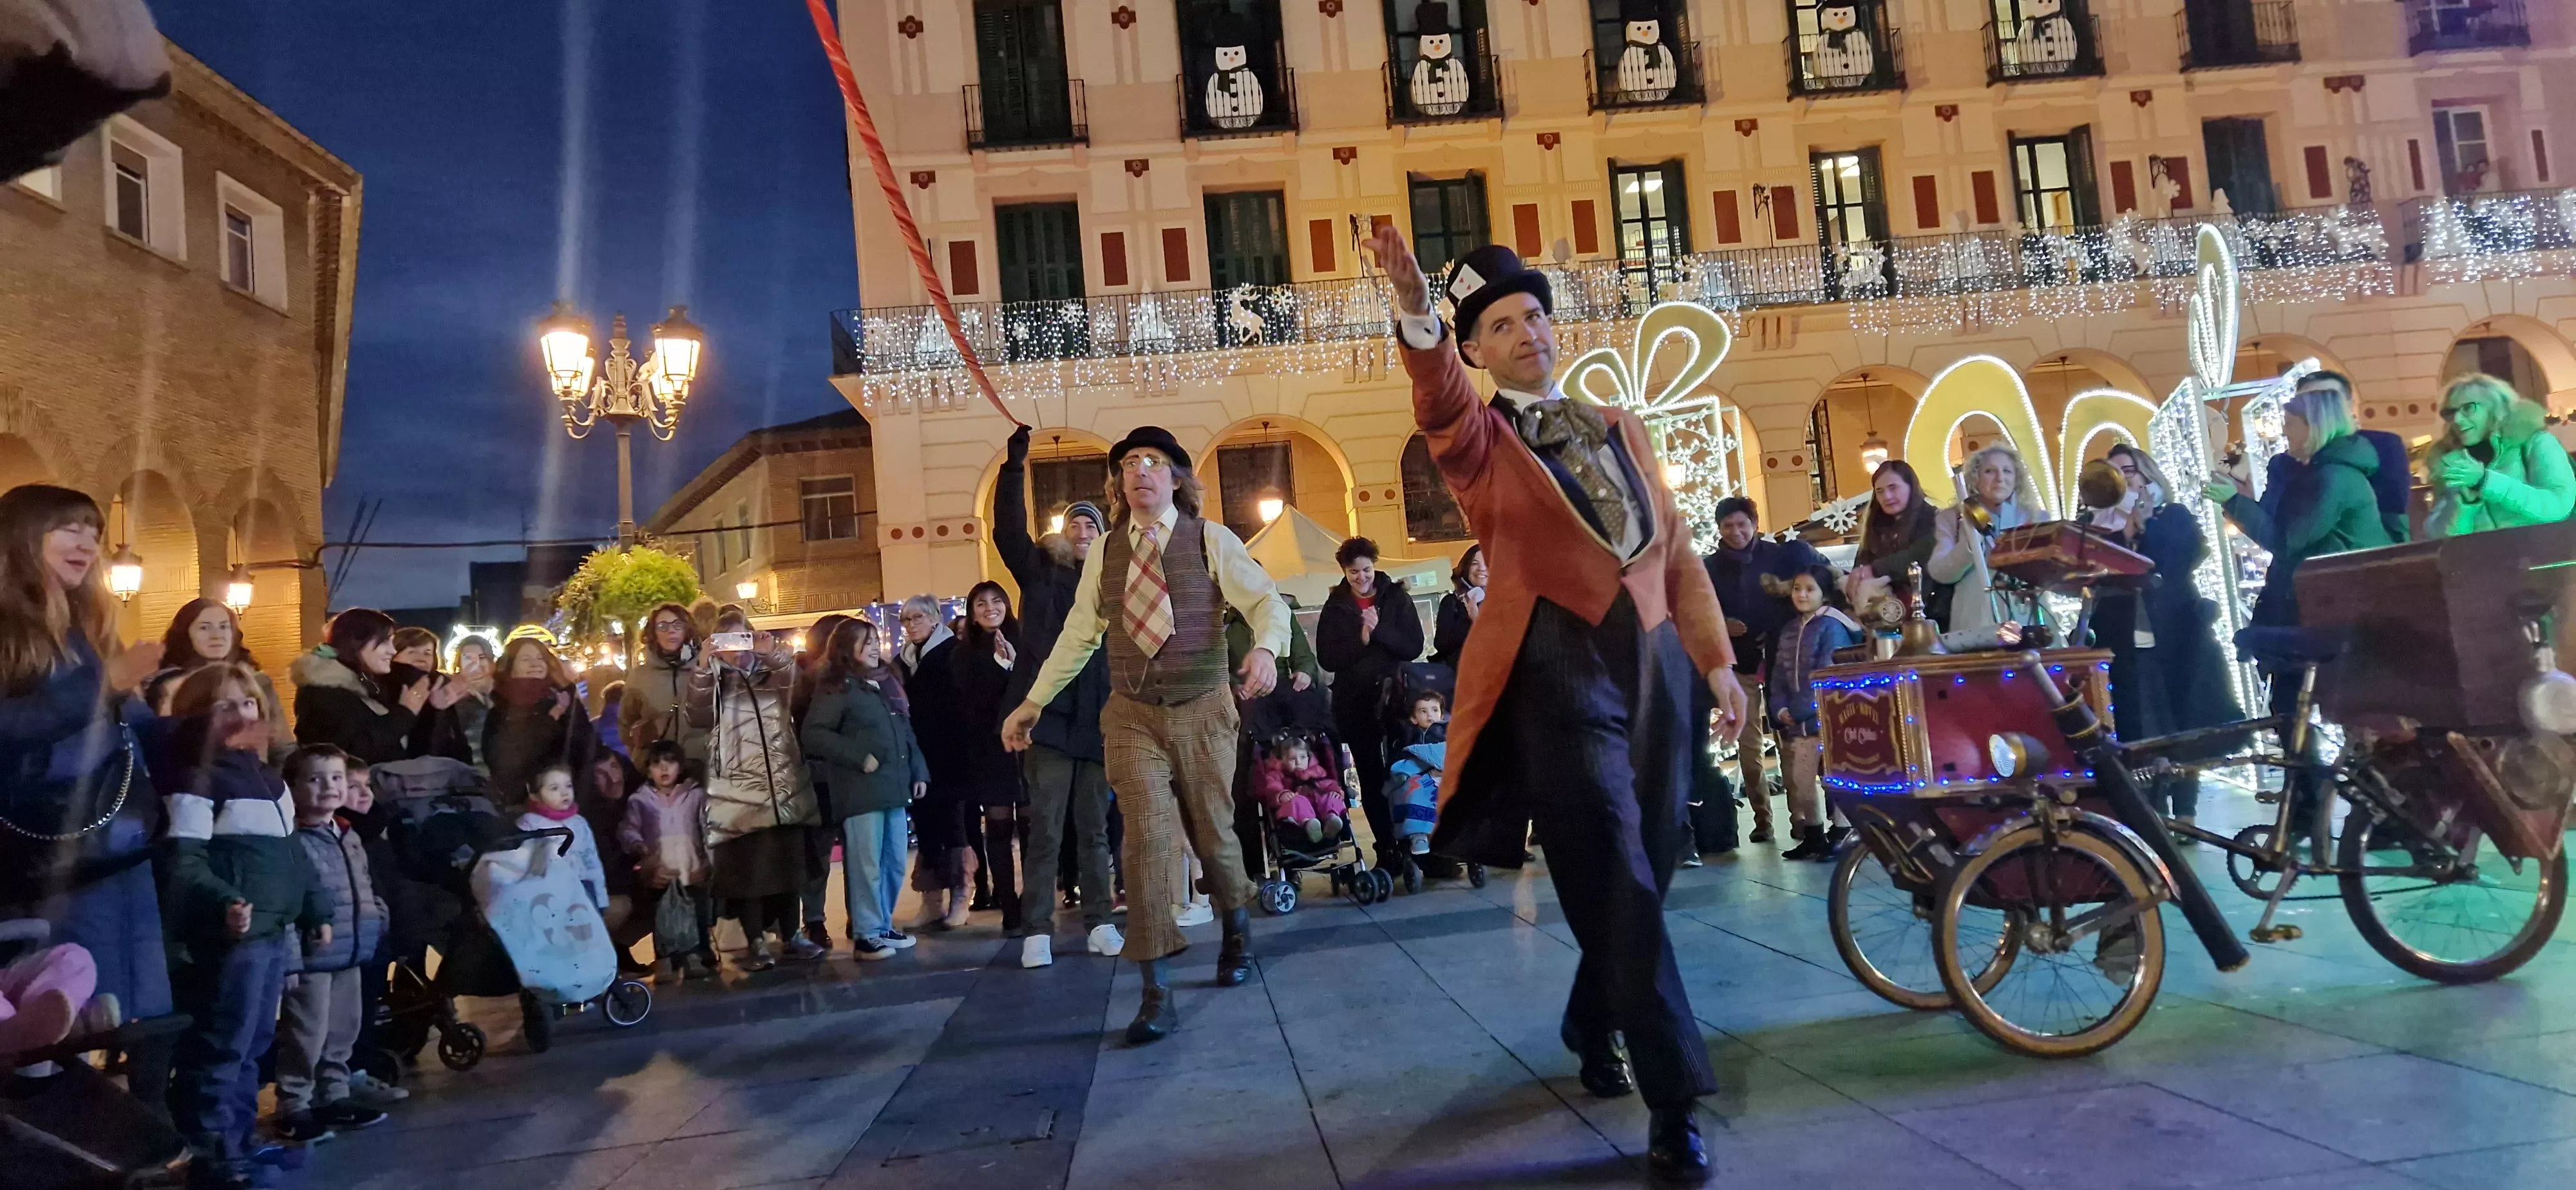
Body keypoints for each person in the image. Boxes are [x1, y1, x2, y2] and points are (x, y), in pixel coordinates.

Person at [1368, 228, 1741, 1180]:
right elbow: (1437, 398)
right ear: (1478, 350)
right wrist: (1418, 312)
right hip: (1554, 668)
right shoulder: (1477, 439)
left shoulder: (1621, 422)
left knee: (1646, 866)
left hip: (1654, 660)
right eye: (1501, 323)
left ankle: (1589, 1014)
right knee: (1614, 870)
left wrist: (1718, 663)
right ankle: (1674, 1099)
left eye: (1534, 313)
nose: (1527, 330)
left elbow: (1681, 551)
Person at [1002, 425, 1289, 1044]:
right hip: (1131, 714)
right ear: (1119, 483)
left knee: (1214, 834)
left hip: (1204, 708)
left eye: (1154, 462)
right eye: (1129, 463)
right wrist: (1031, 703)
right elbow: (1078, 636)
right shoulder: (1104, 553)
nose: (1140, 472)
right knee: (1147, 841)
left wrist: (1266, 651)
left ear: (1177, 479)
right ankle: (1155, 989)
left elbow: (1268, 603)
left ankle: (1236, 924)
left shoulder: (1211, 539)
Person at [0, 484, 175, 1107]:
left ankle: (159, 1154)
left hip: (121, 846)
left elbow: (137, 728)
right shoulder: (9, 631)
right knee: (69, 1029)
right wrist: (105, 685)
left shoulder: (86, 631)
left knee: (149, 1018)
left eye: (93, 532)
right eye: (69, 528)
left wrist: (213, 731)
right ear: (22, 535)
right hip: (55, 856)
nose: (87, 544)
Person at [147, 663, 327, 1187]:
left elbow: (294, 852)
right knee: (222, 1046)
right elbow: (183, 858)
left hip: (272, 932)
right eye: (223, 705)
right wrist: (224, 901)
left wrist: (316, 908)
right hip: (235, 937)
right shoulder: (197, 781)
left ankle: (241, 1143)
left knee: (252, 1046)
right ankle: (211, 1154)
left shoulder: (269, 780)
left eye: (247, 703)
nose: (241, 714)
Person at [2207, 381, 2392, 858]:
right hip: (2307, 606)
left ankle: (2352, 808)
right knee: (2292, 718)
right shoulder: (2312, 474)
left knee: (2314, 719)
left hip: (2329, 612)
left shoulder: (2335, 479)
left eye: (2290, 424)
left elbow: (2289, 539)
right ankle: (2312, 808)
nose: (2284, 433)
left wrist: (2232, 500)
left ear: (2314, 426)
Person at [993, 426, 1126, 962]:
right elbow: (1007, 530)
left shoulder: (1114, 579)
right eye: (1074, 522)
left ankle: (1099, 922)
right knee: (1045, 828)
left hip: (1097, 717)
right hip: (1046, 717)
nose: (1082, 529)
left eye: (1091, 523)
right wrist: (1014, 466)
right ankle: (1038, 932)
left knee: (1094, 829)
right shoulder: (1040, 572)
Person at [2087, 445, 2244, 830]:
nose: (2122, 479)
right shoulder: (2094, 524)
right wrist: (2122, 532)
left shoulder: (2173, 516)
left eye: (2128, 470)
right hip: (2125, 639)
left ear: (2148, 475)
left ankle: (2187, 811)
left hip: (2177, 636)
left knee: (2183, 722)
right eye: (2111, 472)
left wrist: (2144, 525)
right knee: (2141, 726)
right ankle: (2152, 812)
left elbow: (2175, 561)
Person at [690, 610, 824, 969]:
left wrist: (774, 654)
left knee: (788, 865)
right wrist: (704, 666)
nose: (739, 649)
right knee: (749, 871)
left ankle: (792, 936)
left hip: (783, 787)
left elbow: (796, 691)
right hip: (740, 793)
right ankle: (755, 944)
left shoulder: (771, 672)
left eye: (744, 638)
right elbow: (698, 716)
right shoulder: (714, 679)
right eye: (729, 641)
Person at [1699, 497, 1828, 852]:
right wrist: (1722, 626)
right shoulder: (1709, 567)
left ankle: (1800, 819)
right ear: (1720, 529)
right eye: (1728, 526)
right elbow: (1701, 609)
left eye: (1742, 524)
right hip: (1737, 664)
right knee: (1749, 745)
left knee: (1789, 739)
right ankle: (1762, 821)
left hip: (1779, 660)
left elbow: (1800, 596)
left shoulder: (1780, 556)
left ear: (1755, 524)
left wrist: (1774, 629)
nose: (1736, 532)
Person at [274, 743, 389, 1143]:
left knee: (343, 1029)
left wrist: (376, 914)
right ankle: (294, 1105)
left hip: (350, 951)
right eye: (315, 779)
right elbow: (286, 902)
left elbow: (363, 882)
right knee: (306, 1033)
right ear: (293, 786)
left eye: (337, 778)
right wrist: (290, 959)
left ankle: (334, 1095)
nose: (329, 787)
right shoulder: (292, 839)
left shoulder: (345, 833)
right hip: (313, 957)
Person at [799, 618, 928, 961]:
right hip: (860, 791)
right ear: (847, 648)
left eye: (875, 640)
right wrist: (857, 757)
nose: (875, 647)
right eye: (865, 641)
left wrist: (919, 770)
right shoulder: (837, 687)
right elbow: (815, 733)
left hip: (894, 787)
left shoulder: (886, 684)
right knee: (867, 864)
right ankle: (867, 933)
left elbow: (906, 730)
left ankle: (882, 924)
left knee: (894, 861)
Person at [1312, 536, 1425, 873]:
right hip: (1355, 703)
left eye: (1366, 569)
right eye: (1353, 572)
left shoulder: (1396, 597)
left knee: (1404, 770)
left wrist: (1377, 633)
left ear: (1375, 566)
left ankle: (1416, 842)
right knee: (1372, 776)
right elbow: (1328, 658)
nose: (1362, 578)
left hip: (1396, 699)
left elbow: (1413, 645)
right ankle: (1386, 847)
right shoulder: (1336, 606)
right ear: (1344, 573)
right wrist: (1361, 639)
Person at [949, 581, 1032, 940]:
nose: (989, 608)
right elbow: (973, 704)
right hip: (991, 751)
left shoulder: (1025, 642)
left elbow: (1035, 690)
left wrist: (1013, 665)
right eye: (980, 603)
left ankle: (1034, 901)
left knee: (1032, 827)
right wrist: (1000, 668)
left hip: (1029, 749)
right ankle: (1008, 905)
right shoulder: (963, 654)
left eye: (996, 601)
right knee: (998, 830)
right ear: (972, 611)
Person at [1766, 569, 1862, 861]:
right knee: (1801, 780)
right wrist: (1779, 707)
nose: (1802, 594)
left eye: (1810, 588)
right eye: (1797, 588)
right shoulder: (1790, 630)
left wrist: (1798, 711)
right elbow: (1779, 674)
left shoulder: (1832, 627)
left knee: (1836, 777)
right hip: (1800, 725)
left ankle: (1843, 830)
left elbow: (1825, 672)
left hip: (1830, 718)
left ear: (1824, 593)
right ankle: (1813, 833)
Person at [898, 594, 976, 930]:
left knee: (955, 826)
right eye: (905, 620)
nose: (911, 625)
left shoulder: (952, 654)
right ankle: (931, 900)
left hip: (952, 753)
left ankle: (962, 896)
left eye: (917, 617)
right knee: (927, 825)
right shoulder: (903, 662)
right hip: (920, 755)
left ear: (934, 619)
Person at [292, 609, 453, 766]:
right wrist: (404, 714)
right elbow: (349, 754)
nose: (392, 651)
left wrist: (434, 706)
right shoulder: (322, 692)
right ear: (356, 642)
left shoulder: (373, 682)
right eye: (385, 642)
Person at [2426, 372, 2576, 537]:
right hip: (2484, 562)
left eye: (2468, 408)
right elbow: (2438, 535)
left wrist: (2485, 481)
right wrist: (2465, 504)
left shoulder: (2536, 443)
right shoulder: (2451, 460)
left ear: (2495, 408)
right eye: (2450, 413)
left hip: (2543, 558)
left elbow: (2557, 507)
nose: (2457, 420)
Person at [1929, 444, 2053, 643]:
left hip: (2029, 618)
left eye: (2007, 471)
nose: (2000, 478)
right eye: (1990, 471)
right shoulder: (1952, 519)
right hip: (1976, 621)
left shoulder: (2038, 518)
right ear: (1975, 478)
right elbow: (1940, 572)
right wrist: (1969, 545)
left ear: (2017, 478)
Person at [619, 739, 717, 981]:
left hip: (691, 867)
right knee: (662, 913)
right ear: (648, 769)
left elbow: (708, 829)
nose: (664, 769)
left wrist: (708, 863)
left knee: (696, 911)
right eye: (657, 764)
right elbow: (629, 829)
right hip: (661, 870)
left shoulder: (695, 796)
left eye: (670, 763)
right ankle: (665, 957)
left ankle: (697, 953)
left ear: (680, 766)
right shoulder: (640, 800)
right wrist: (640, 848)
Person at [145, 600, 288, 751]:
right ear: (186, 633)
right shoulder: (171, 684)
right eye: (205, 628)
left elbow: (282, 744)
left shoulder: (258, 681)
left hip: (256, 770)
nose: (216, 635)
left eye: (224, 627)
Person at [2291, 370, 2416, 543]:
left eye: (2329, 402)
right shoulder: (2296, 457)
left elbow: (2393, 505)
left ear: (2349, 405)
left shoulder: (2382, 445)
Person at [482, 636, 599, 808]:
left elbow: (586, 743)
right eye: (526, 659)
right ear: (511, 666)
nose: (535, 664)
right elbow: (505, 761)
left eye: (540, 658)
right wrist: (551, 719)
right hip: (525, 805)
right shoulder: (501, 710)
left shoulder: (564, 698)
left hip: (574, 800)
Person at [1847, 460, 1941, 628]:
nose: (1887, 497)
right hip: (1884, 618)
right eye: (1880, 492)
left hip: (1931, 614)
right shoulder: (1875, 528)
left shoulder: (1934, 520)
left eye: (1893, 488)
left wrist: (1874, 569)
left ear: (1911, 486)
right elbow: (1861, 563)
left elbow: (1918, 555)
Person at [621, 604, 707, 770]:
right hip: (656, 773)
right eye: (663, 626)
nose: (671, 631)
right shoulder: (639, 676)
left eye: (678, 624)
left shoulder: (705, 670)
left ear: (687, 630)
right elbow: (625, 725)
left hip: (700, 770)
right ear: (653, 633)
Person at [518, 763, 609, 913]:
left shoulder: (579, 822)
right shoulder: (529, 824)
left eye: (568, 786)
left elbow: (592, 860)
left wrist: (601, 898)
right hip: (549, 893)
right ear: (534, 794)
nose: (565, 793)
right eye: (554, 788)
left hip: (584, 887)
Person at [1253, 730, 1347, 845]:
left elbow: (1328, 783)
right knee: (1298, 801)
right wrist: (1281, 794)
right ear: (1282, 761)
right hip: (1297, 815)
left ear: (1309, 757)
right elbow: (1271, 788)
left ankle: (1332, 819)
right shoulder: (1277, 775)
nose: (1299, 762)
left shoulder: (1317, 771)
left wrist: (1335, 791)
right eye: (1292, 759)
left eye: (1303, 757)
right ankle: (1309, 825)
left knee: (1331, 798)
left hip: (1320, 808)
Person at [1431, 544, 1486, 670]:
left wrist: (1478, 620)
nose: (1482, 569)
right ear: (1466, 568)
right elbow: (1441, 644)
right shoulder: (1452, 602)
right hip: (1463, 675)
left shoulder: (1505, 603)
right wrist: (1469, 621)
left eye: (1487, 562)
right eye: (1475, 564)